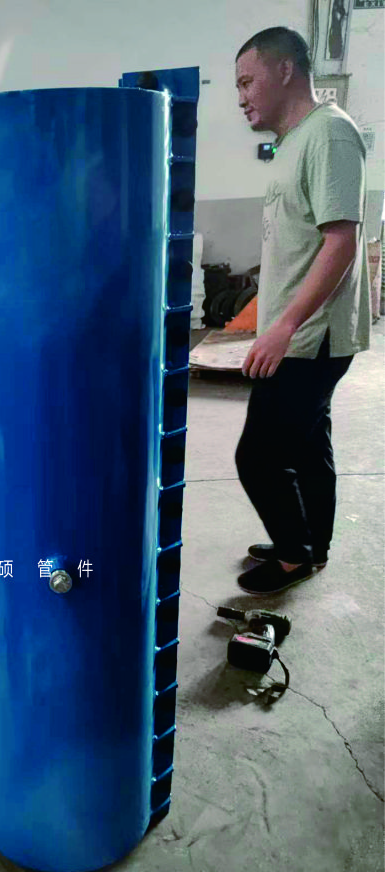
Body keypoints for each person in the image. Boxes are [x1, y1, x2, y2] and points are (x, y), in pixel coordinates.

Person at [233, 26, 370, 595]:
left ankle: (293, 555)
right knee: (310, 446)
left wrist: (284, 326)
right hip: (298, 333)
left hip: (310, 337)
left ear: (285, 70)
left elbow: (341, 241)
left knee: (258, 458)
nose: (241, 97)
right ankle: (313, 545)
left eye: (247, 82)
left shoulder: (329, 134)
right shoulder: (293, 143)